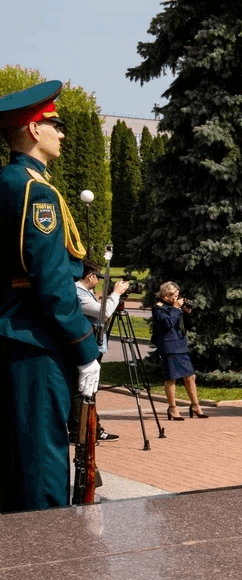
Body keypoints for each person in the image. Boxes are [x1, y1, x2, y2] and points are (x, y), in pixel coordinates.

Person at [0, 81, 102, 512]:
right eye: (54, 124)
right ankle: (49, 569)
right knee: (43, 463)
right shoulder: (35, 191)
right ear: (31, 127)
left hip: (12, 336)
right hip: (37, 341)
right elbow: (52, 283)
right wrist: (86, 350)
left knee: (15, 462)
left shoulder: (7, 180)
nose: (62, 133)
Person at [74, 261, 129, 442]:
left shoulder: (86, 292)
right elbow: (103, 313)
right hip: (86, 345)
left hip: (93, 344)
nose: (98, 280)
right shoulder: (77, 293)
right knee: (83, 389)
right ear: (90, 276)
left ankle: (92, 428)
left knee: (90, 389)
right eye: (98, 276)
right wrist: (116, 294)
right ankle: (82, 431)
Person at [152, 281, 207, 419]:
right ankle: (172, 408)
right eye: (172, 295)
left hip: (180, 344)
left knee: (190, 376)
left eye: (176, 295)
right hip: (168, 346)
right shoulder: (159, 308)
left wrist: (186, 311)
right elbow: (167, 324)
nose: (175, 298)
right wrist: (176, 309)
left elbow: (180, 324)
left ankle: (195, 405)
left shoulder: (173, 307)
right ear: (165, 294)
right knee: (171, 377)